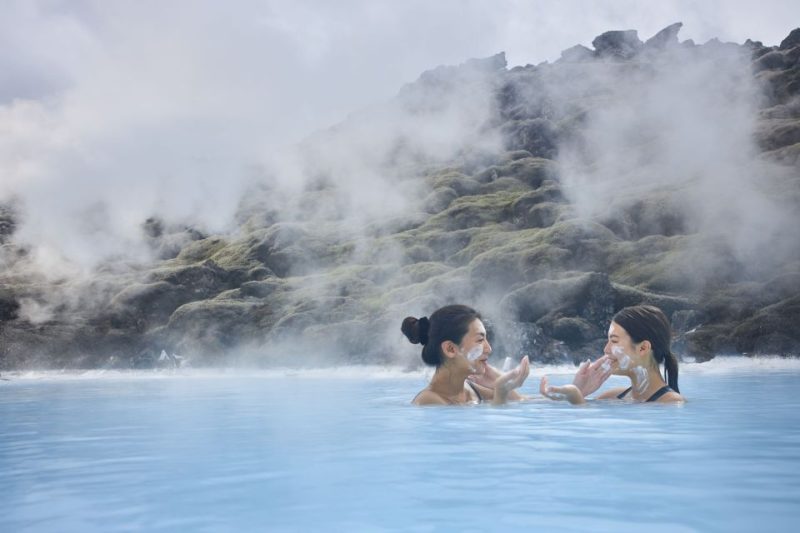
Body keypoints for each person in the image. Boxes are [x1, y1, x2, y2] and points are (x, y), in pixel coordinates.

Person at [540, 305, 684, 404]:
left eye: (614, 341)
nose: (606, 349)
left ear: (643, 348)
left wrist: (577, 398)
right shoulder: (614, 396)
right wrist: (580, 390)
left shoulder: (671, 402)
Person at [402, 304, 530, 406]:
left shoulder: (470, 389)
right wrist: (500, 394)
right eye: (480, 340)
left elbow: (521, 402)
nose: (489, 349)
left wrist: (500, 383)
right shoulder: (428, 401)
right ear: (450, 349)